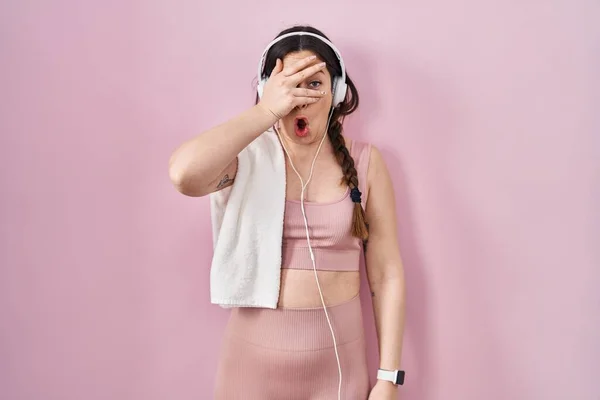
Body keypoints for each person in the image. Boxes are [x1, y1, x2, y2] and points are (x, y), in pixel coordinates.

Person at [169, 25, 406, 400]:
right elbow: (185, 175)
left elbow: (386, 274)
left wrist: (388, 377)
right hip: (250, 371)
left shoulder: (366, 164)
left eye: (314, 84)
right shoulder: (245, 160)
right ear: (269, 90)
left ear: (337, 91)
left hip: (340, 373)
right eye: (288, 85)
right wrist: (266, 111)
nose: (302, 98)